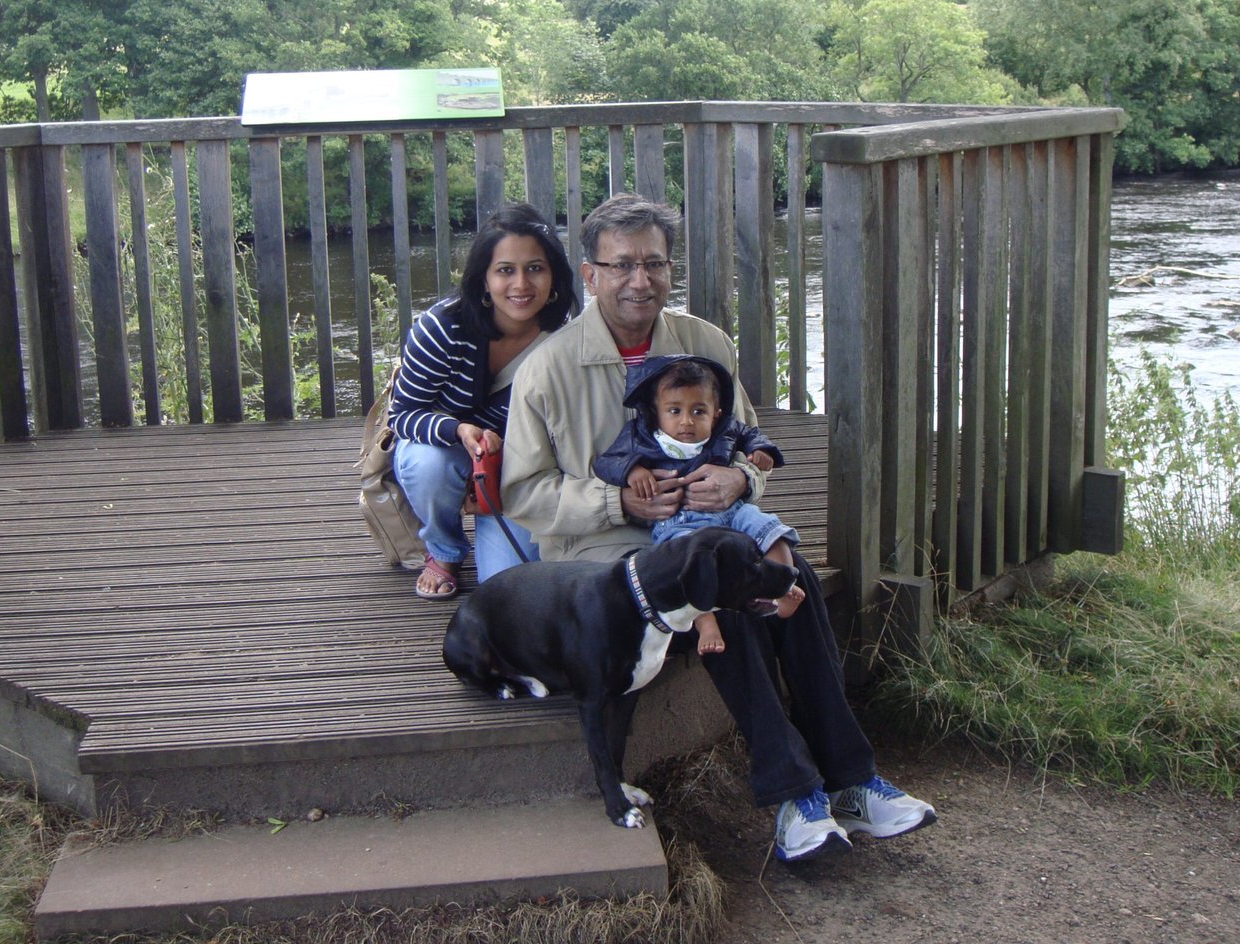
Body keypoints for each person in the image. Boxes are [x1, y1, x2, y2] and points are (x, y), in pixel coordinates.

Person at [503, 193, 935, 863]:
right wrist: (619, 503)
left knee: (787, 576)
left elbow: (747, 447)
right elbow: (522, 494)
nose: (640, 280)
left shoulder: (705, 344)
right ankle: (797, 795)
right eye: (621, 265)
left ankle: (851, 780)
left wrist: (739, 482)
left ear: (670, 269)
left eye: (654, 263)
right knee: (721, 583)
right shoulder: (547, 368)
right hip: (604, 557)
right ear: (590, 275)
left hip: (705, 524)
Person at [388, 202, 578, 599]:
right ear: (484, 279)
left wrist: (505, 459)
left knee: (508, 588)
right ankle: (444, 549)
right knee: (429, 464)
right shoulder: (442, 328)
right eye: (505, 270)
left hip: (516, 468)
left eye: (535, 268)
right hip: (442, 450)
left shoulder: (566, 340)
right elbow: (402, 415)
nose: (521, 284)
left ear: (554, 275)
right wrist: (458, 430)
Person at [592, 353, 805, 654]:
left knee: (770, 529)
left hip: (730, 510)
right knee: (687, 563)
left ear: (716, 414)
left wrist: (761, 451)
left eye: (698, 411)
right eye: (674, 411)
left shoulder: (725, 429)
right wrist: (632, 471)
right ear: (656, 412)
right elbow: (607, 462)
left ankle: (782, 586)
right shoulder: (640, 436)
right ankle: (706, 623)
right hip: (679, 520)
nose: (686, 421)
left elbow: (751, 434)